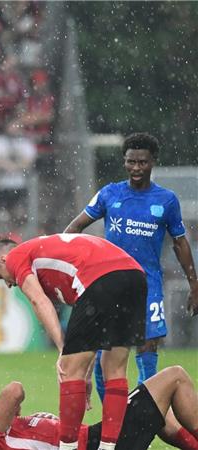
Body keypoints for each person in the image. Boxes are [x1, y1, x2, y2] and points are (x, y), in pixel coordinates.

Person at [64, 132, 198, 400]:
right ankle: (115, 421)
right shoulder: (109, 194)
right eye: (131, 162)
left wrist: (194, 285)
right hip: (111, 286)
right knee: (105, 356)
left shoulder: (166, 200)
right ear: (124, 162)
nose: (136, 168)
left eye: (143, 162)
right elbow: (74, 229)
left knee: (147, 350)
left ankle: (144, 415)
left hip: (149, 285)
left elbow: (180, 243)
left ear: (153, 162)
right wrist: (73, 269)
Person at [0, 234, 146, 450]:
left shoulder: (16, 256)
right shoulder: (48, 258)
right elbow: (94, 333)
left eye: (0, 277)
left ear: (5, 259)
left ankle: (68, 448)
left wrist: (63, 348)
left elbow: (38, 300)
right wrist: (86, 373)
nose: (7, 284)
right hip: (134, 276)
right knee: (115, 369)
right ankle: (108, 447)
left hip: (101, 277)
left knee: (69, 372)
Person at [0, 365, 198, 450]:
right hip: (99, 444)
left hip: (99, 439)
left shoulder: (3, 439)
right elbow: (14, 390)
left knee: (158, 411)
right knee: (174, 376)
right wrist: (14, 409)